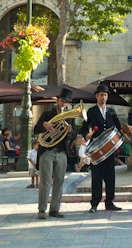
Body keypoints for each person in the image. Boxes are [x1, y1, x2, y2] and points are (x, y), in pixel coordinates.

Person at [81, 83, 132, 213]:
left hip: (110, 149)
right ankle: (94, 203)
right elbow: (84, 127)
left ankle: (109, 202)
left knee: (110, 176)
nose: (104, 97)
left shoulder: (111, 111)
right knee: (96, 177)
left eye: (105, 95)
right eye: (101, 95)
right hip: (97, 148)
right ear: (97, 96)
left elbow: (119, 126)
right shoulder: (91, 111)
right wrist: (86, 134)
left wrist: (126, 129)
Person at [34, 87, 77, 219]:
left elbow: (74, 135)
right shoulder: (47, 113)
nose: (64, 104)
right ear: (57, 101)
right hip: (47, 150)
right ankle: (42, 209)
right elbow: (36, 129)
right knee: (45, 181)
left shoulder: (70, 116)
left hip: (62, 152)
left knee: (59, 181)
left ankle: (54, 209)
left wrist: (70, 131)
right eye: (62, 101)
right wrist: (45, 125)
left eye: (66, 102)